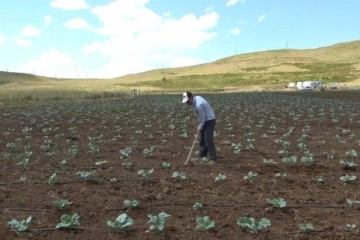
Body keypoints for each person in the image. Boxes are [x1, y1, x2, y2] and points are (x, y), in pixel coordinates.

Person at [182, 92, 217, 164]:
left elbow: (203, 117)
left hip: (209, 121)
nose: (187, 103)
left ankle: (213, 158)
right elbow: (202, 117)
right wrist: (201, 125)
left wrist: (200, 126)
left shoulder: (198, 105)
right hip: (206, 120)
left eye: (188, 101)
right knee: (202, 139)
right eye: (186, 101)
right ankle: (202, 156)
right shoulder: (197, 98)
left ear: (191, 97)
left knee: (208, 140)